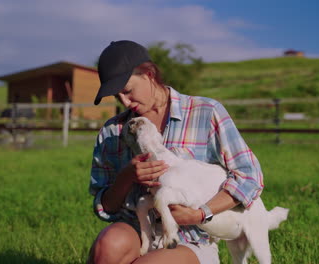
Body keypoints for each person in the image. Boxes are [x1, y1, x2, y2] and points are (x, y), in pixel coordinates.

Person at [87, 40, 264, 264]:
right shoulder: (113, 131)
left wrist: (201, 214)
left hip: (190, 239)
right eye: (117, 96)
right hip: (136, 229)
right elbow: (105, 207)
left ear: (149, 74)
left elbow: (250, 177)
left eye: (128, 91)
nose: (125, 101)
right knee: (107, 246)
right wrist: (127, 177)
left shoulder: (206, 113)